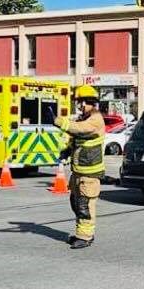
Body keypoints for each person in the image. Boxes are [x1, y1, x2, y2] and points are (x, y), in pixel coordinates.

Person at [55, 85, 107, 249]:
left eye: (82, 102)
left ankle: (85, 237)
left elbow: (81, 130)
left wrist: (60, 122)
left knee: (85, 206)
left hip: (90, 173)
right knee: (76, 204)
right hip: (78, 171)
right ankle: (80, 233)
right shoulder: (83, 118)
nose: (79, 106)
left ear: (91, 102)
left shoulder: (95, 119)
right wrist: (66, 151)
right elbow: (75, 137)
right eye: (78, 102)